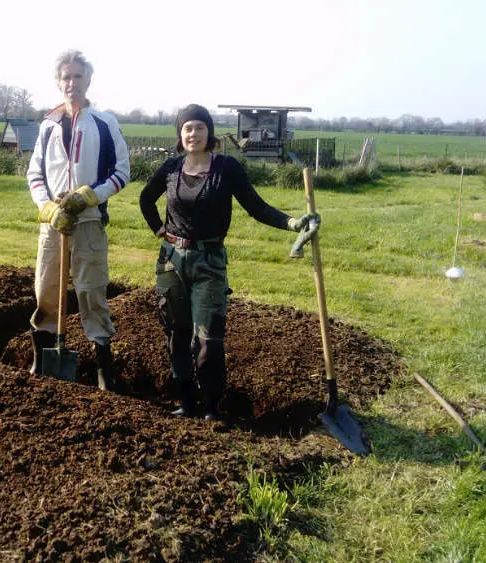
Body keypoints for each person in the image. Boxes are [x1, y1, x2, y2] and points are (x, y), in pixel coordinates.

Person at [139, 104, 320, 421]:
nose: (193, 133)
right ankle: (186, 402)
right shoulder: (170, 168)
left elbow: (256, 207)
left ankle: (211, 408)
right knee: (176, 335)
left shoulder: (227, 168)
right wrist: (159, 228)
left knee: (209, 339)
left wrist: (292, 224)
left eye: (199, 127)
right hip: (171, 262)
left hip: (209, 262)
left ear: (209, 133)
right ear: (180, 136)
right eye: (187, 128)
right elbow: (145, 198)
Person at [26, 50, 130, 391]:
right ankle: (41, 362)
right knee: (46, 291)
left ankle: (104, 374)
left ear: (88, 80)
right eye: (66, 77)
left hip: (88, 226)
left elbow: (121, 173)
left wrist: (88, 197)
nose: (72, 83)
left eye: (78, 76)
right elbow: (35, 175)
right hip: (53, 228)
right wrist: (50, 210)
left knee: (91, 294)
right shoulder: (48, 125)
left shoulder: (105, 123)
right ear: (59, 82)